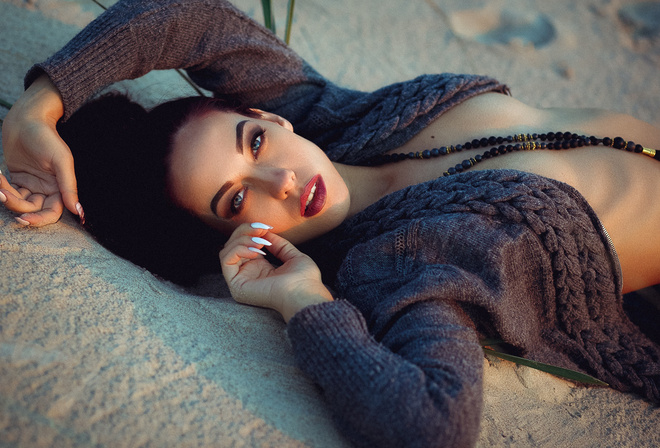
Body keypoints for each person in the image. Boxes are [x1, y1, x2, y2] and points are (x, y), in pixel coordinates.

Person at [1, 0, 659, 446]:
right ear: (238, 239)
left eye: (253, 144)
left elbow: (184, 20)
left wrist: (41, 106)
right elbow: (433, 422)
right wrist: (303, 300)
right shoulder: (400, 265)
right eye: (237, 201)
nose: (282, 181)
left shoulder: (337, 114)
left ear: (271, 119)